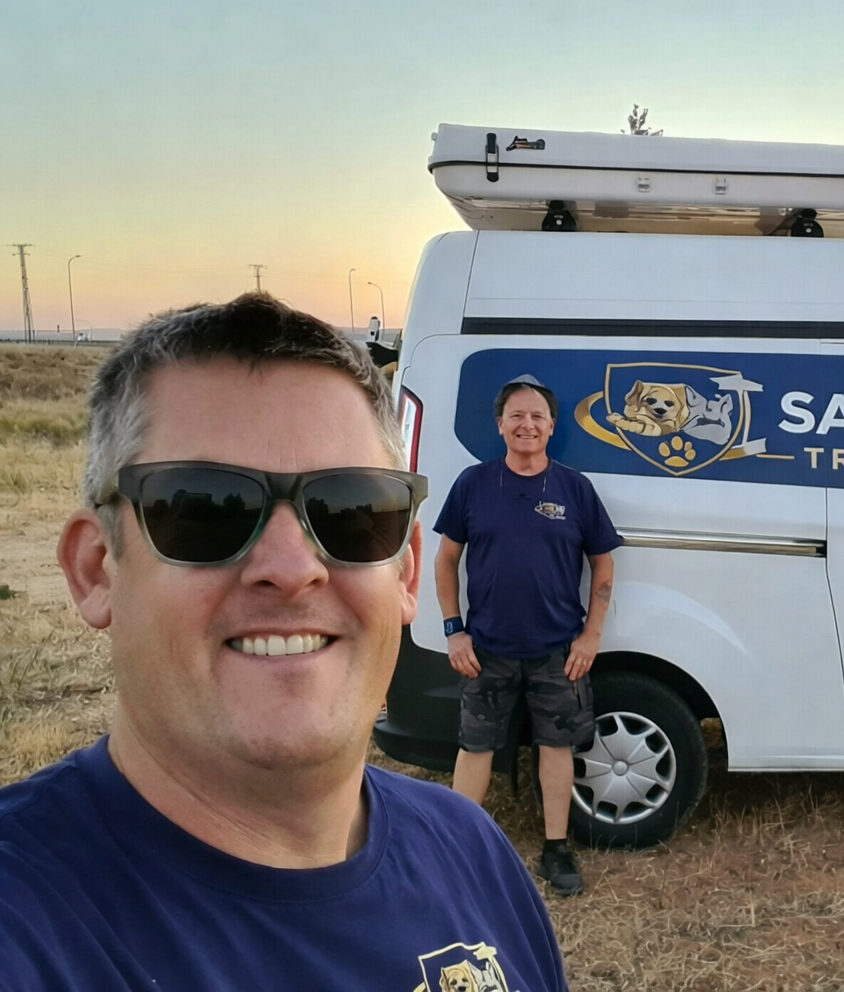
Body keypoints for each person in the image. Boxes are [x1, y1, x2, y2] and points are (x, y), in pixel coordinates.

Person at [0, 293, 569, 991]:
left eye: (351, 509)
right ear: (95, 571)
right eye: (205, 508)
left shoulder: (471, 849)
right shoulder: (24, 923)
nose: (294, 568)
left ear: (404, 571)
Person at [435, 374, 621, 897]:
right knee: (475, 748)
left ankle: (555, 849)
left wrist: (590, 637)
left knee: (556, 747)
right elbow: (446, 560)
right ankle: (459, 848)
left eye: (537, 416)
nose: (527, 424)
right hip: (486, 648)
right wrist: (454, 631)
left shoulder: (575, 488)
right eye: (516, 415)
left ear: (552, 427)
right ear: (500, 425)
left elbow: (603, 565)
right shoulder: (473, 483)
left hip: (557, 651)